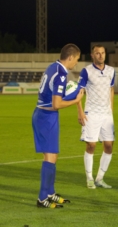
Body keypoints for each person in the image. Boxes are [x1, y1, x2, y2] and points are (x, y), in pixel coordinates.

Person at [32, 44, 84, 208]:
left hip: (45, 115)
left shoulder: (52, 66)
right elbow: (56, 103)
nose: (76, 63)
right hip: (46, 116)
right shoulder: (61, 74)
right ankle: (42, 198)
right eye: (76, 59)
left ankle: (49, 192)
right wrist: (75, 100)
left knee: (53, 156)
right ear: (70, 57)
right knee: (50, 157)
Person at [77, 45, 116, 189]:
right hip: (91, 113)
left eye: (102, 53)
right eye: (97, 53)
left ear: (105, 54)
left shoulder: (111, 71)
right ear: (92, 55)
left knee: (109, 146)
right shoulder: (86, 71)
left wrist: (111, 110)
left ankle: (100, 178)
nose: (100, 55)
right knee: (91, 145)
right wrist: (80, 111)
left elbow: (111, 90)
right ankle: (89, 178)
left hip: (106, 115)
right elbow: (79, 92)